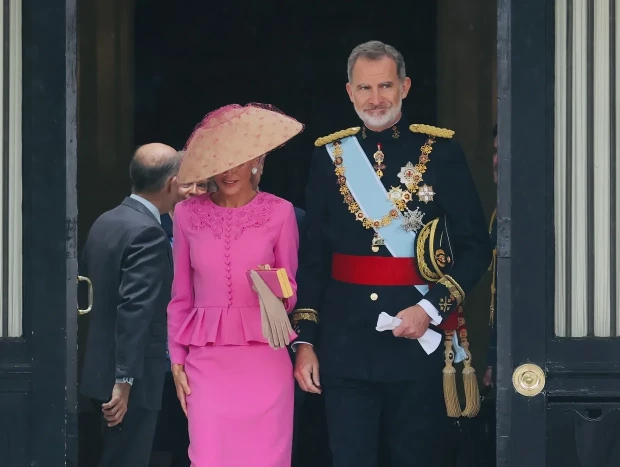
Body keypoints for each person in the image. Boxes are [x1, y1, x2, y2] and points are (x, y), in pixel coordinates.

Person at [292, 40, 492, 467]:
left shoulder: (441, 152)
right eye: (364, 88)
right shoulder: (329, 157)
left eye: (385, 86)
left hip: (417, 340)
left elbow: (475, 248)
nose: (375, 99)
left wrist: (431, 309)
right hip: (345, 343)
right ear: (349, 92)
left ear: (405, 86)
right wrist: (306, 340)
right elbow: (313, 257)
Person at [167, 103, 303, 466]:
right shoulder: (185, 214)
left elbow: (290, 292)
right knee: (209, 456)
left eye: (240, 160)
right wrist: (176, 359)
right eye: (221, 161)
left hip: (264, 360)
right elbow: (180, 295)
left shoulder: (281, 212)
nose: (229, 171)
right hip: (205, 363)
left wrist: (270, 283)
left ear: (256, 161)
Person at [79, 143, 181, 467]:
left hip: (96, 369)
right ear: (170, 183)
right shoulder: (149, 233)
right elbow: (134, 310)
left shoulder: (106, 221)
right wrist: (125, 382)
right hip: (128, 382)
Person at [154, 165, 208, 467]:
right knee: (168, 436)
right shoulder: (152, 227)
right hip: (163, 351)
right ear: (173, 185)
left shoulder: (213, 227)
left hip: (203, 346)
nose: (197, 192)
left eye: (205, 186)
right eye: (191, 184)